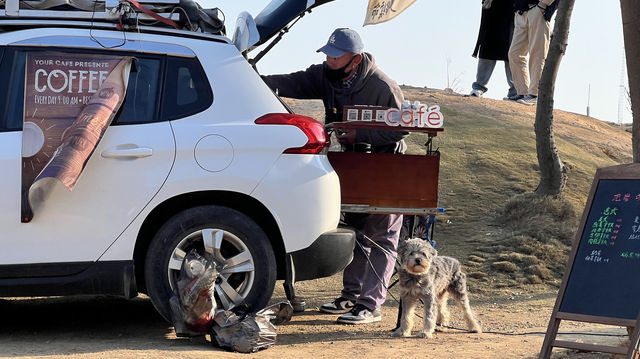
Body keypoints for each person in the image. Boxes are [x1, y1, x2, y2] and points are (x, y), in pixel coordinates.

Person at [262, 28, 407, 324]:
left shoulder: (383, 86)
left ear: (354, 60)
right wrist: (253, 80)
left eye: (335, 56)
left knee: (383, 234)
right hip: (351, 164)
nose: (329, 60)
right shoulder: (326, 74)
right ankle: (351, 296)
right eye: (327, 54)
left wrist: (360, 133)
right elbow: (294, 81)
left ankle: (371, 304)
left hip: (387, 166)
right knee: (358, 232)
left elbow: (401, 127)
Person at [506, 0, 558, 105]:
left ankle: (534, 94)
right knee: (514, 54)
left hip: (538, 10)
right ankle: (522, 92)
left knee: (538, 54)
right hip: (521, 12)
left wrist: (543, 4)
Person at [469, 0, 516, 99]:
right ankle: (479, 86)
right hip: (492, 11)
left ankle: (515, 92)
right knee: (487, 49)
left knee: (512, 53)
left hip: (513, 11)